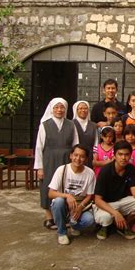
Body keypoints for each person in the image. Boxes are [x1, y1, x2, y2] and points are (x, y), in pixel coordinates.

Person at [34, 98, 79, 230]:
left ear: (65, 109)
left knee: (65, 186)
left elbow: (75, 144)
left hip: (66, 159)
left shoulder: (71, 124)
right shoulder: (45, 124)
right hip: (49, 160)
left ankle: (64, 216)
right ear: (52, 109)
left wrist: (76, 160)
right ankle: (49, 217)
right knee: (47, 187)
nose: (59, 110)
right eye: (56, 107)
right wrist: (39, 167)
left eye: (62, 107)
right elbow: (38, 147)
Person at [48, 144, 96, 245]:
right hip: (64, 204)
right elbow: (51, 193)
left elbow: (89, 195)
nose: (78, 159)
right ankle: (62, 232)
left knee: (89, 219)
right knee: (58, 202)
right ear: (71, 156)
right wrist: (67, 196)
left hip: (79, 204)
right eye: (75, 155)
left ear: (86, 159)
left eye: (82, 156)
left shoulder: (90, 173)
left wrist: (80, 207)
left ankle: (74, 225)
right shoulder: (62, 170)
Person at [72, 101, 98, 168]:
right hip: (76, 156)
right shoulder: (71, 124)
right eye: (80, 108)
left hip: (89, 156)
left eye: (85, 108)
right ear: (76, 110)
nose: (83, 110)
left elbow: (96, 143)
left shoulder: (93, 125)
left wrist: (95, 157)